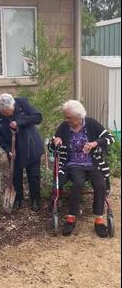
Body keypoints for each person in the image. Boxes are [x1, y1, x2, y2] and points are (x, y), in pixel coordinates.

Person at [48, 99, 115, 237]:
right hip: (73, 164)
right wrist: (55, 142)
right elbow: (51, 147)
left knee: (100, 184)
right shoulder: (64, 127)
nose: (66, 120)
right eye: (65, 117)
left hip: (93, 163)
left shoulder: (91, 123)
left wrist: (95, 143)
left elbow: (110, 138)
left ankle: (99, 219)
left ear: (78, 117)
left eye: (68, 117)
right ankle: (71, 217)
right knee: (78, 183)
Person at [0, 93, 44, 212]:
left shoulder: (22, 103)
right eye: (4, 113)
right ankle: (18, 199)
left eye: (9, 112)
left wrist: (19, 122)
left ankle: (35, 200)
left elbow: (38, 117)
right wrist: (8, 149)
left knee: (33, 175)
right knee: (15, 176)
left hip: (31, 146)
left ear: (13, 105)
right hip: (14, 150)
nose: (6, 114)